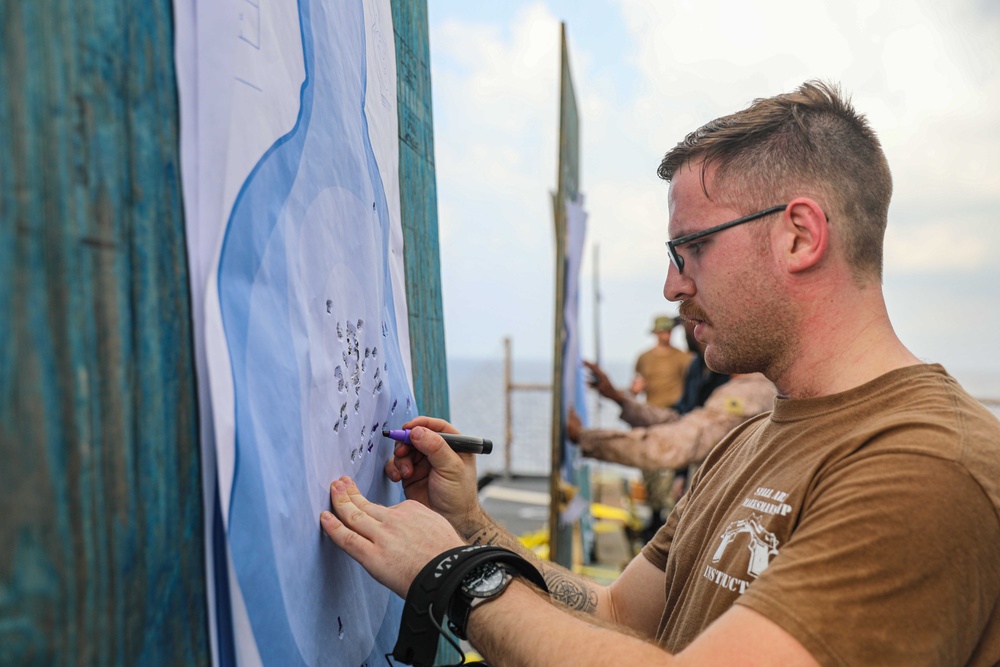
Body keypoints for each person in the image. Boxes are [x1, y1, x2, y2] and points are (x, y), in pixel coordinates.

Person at [320, 81, 1000, 665]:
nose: (672, 286)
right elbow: (616, 614)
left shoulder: (929, 463)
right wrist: (469, 523)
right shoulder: (747, 439)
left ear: (799, 235)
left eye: (692, 247)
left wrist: (456, 578)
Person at [630, 315, 692, 408]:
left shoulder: (684, 357)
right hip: (652, 410)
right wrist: (635, 390)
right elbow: (636, 386)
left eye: (669, 331)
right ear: (656, 333)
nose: (666, 335)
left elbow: (692, 385)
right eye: (663, 331)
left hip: (676, 411)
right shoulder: (643, 358)